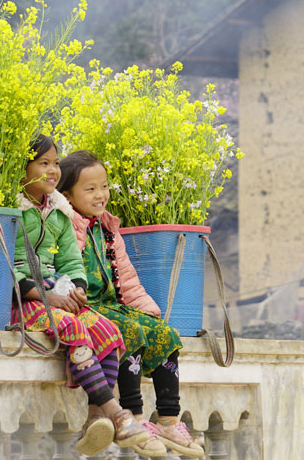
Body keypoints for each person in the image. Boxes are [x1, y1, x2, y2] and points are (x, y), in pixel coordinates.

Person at [59, 149, 205, 458]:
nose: (101, 195)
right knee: (129, 331)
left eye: (104, 186)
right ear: (67, 195)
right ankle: (134, 416)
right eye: (90, 189)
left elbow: (125, 277)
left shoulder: (107, 228)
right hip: (88, 308)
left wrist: (149, 312)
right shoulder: (64, 225)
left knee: (164, 334)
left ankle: (167, 420)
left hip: (113, 304)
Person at [13, 135, 148, 455]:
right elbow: (1, 261)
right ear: (22, 169)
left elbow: (72, 261)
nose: (52, 170)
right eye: (43, 163)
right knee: (73, 327)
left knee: (108, 331)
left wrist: (79, 290)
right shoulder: (10, 209)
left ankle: (93, 418)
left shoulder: (58, 210)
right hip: (24, 298)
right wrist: (42, 296)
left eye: (55, 163)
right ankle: (116, 414)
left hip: (54, 290)